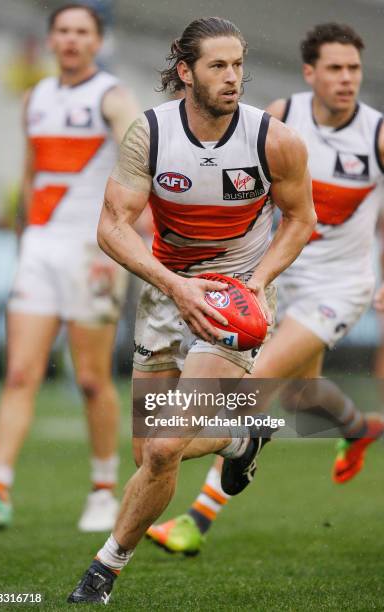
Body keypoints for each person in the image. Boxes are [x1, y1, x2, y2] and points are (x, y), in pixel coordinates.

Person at [67, 16, 316, 603]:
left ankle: (105, 569)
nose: (234, 78)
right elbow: (112, 227)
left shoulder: (272, 139)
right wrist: (174, 286)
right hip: (165, 289)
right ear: (185, 71)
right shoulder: (149, 135)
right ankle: (240, 439)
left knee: (162, 446)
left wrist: (255, 282)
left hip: (236, 300)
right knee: (147, 455)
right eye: (218, 67)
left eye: (238, 65)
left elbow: (302, 219)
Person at [146, 22, 384, 557]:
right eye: (335, 69)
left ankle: (196, 520)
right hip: (279, 273)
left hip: (338, 288)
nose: (347, 79)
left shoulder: (376, 134)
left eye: (354, 69)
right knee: (301, 394)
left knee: (255, 385)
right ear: (310, 74)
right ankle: (360, 428)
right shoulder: (279, 119)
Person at [0, 3, 139, 532]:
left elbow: (141, 168)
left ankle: (102, 491)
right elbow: (30, 172)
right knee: (21, 373)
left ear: (98, 40)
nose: (70, 40)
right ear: (50, 39)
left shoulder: (113, 97)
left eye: (81, 32)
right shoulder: (35, 97)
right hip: (41, 251)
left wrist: (123, 243)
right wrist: (27, 238)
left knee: (92, 379)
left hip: (92, 253)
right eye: (63, 31)